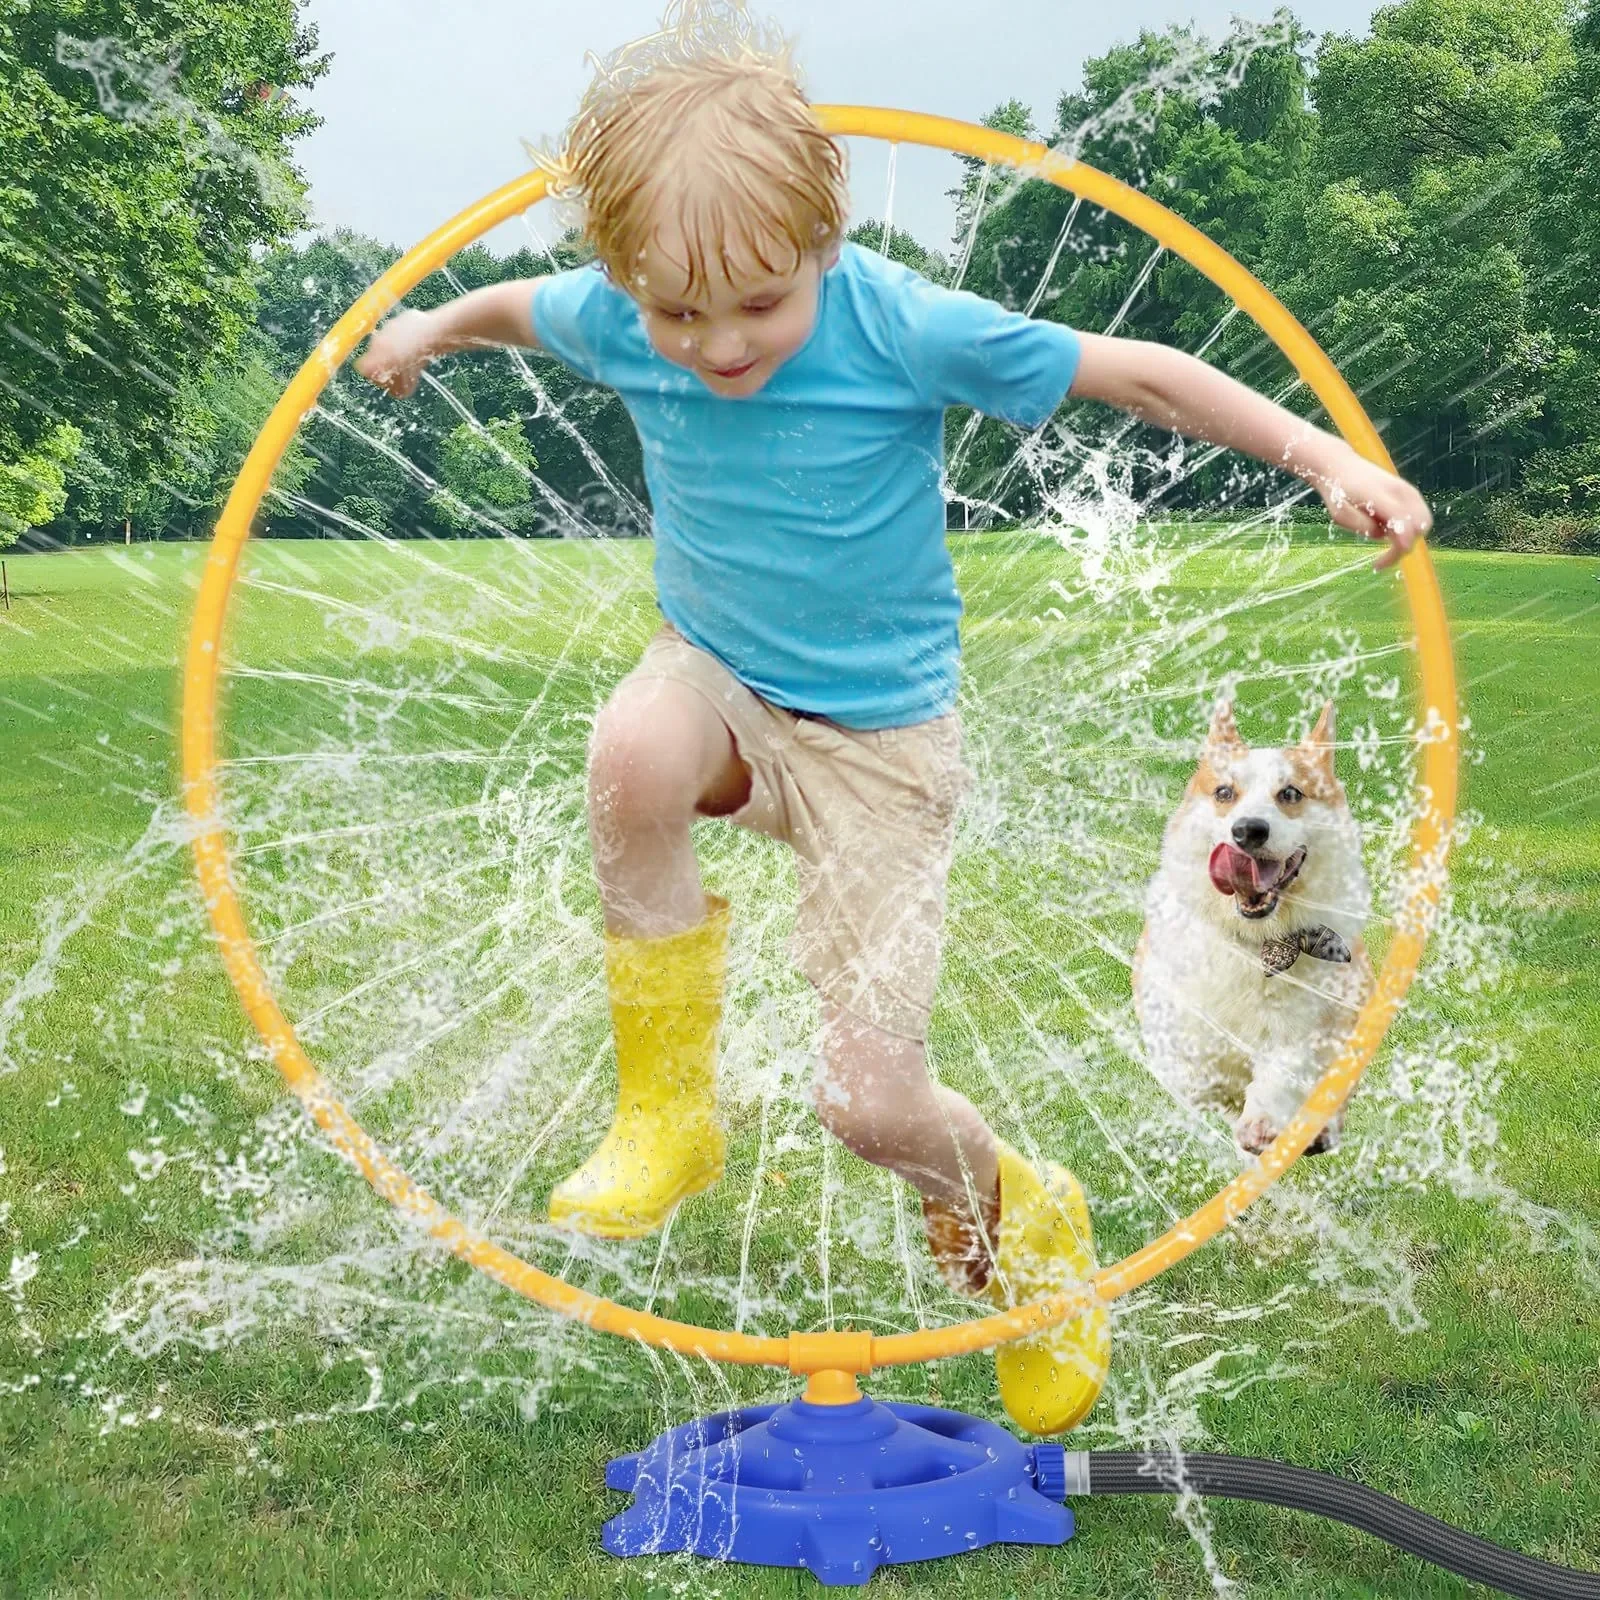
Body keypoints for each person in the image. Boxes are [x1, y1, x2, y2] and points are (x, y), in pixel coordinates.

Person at [356, 1, 1431, 1437]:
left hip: (881, 752)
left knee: (868, 1104)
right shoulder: (620, 312)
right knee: (630, 751)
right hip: (720, 683)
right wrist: (435, 324)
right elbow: (521, 306)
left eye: (757, 305)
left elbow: (1136, 374)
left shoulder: (901, 323)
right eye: (676, 314)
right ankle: (666, 1111)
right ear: (627, 278)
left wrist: (1324, 461)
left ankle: (1021, 1218)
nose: (716, 344)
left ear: (825, 238)